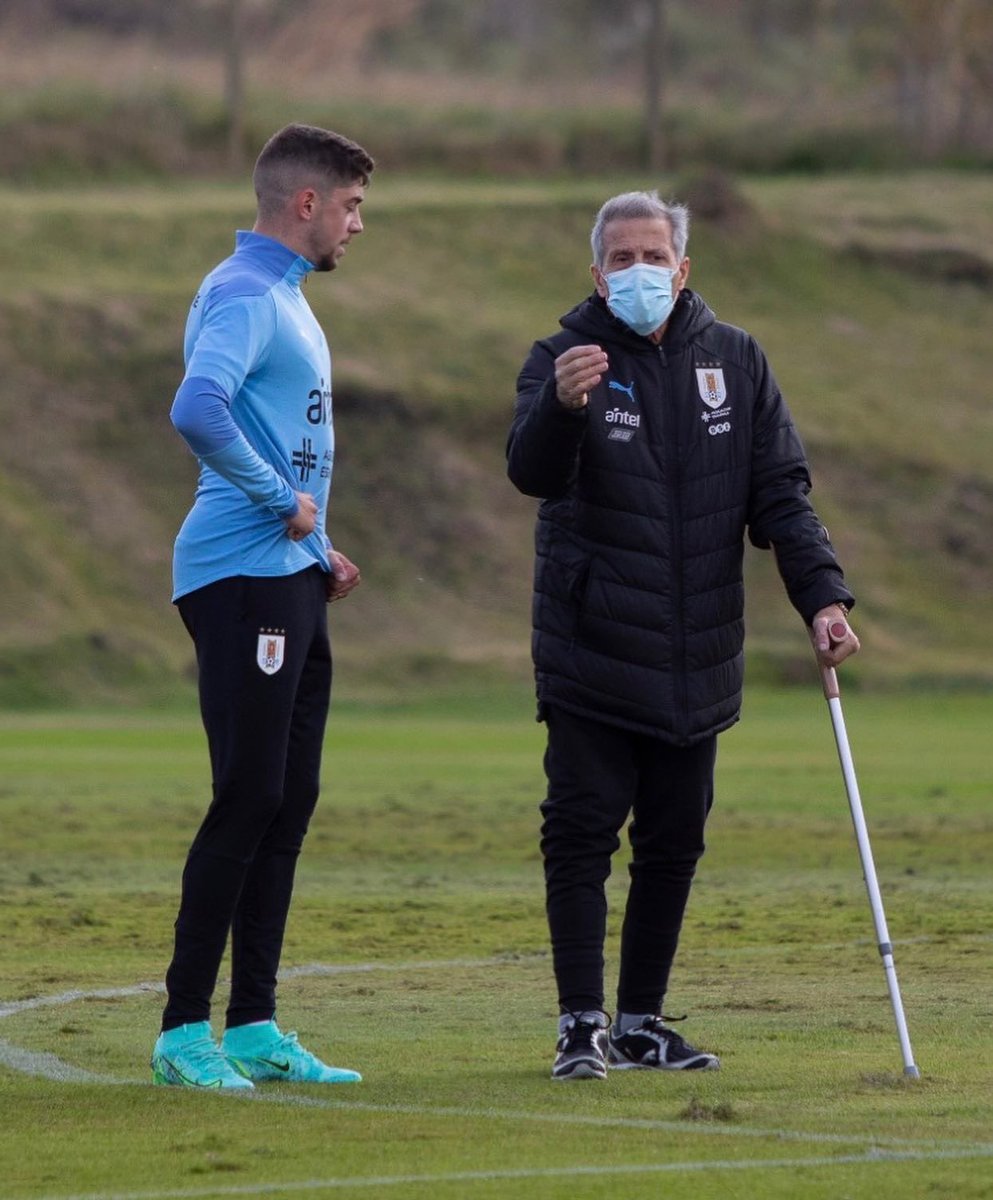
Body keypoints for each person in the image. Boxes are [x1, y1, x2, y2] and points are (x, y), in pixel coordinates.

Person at [507, 189, 860, 1082]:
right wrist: (561, 407)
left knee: (674, 840)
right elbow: (530, 472)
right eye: (619, 260)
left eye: (651, 257)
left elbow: (780, 494)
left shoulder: (734, 361)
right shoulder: (562, 358)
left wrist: (822, 599)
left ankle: (638, 1021)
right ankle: (579, 1023)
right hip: (591, 642)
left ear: (682, 267)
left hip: (697, 648)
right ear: (595, 273)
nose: (636, 274)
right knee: (581, 831)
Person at [150, 123, 374, 1090]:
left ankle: (252, 1027)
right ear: (307, 203)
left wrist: (318, 543)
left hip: (287, 570)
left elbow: (270, 429)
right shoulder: (246, 292)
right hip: (240, 572)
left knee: (287, 799)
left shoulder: (282, 296)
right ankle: (179, 1034)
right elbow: (197, 409)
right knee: (247, 794)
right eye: (354, 206)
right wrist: (279, 503)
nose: (359, 225)